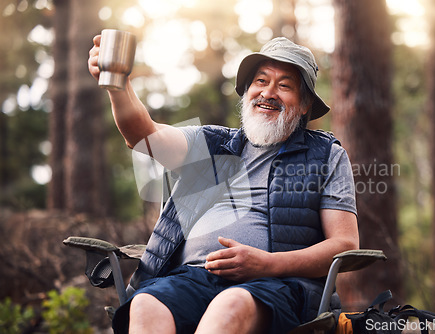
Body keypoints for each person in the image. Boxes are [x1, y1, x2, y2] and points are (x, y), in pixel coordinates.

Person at [88, 36, 359, 334]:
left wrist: (267, 264)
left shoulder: (326, 155)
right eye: (261, 81)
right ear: (246, 91)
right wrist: (119, 84)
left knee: (230, 304)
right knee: (145, 304)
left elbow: (344, 245)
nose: (268, 93)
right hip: (190, 279)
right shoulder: (210, 142)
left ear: (305, 104)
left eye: (284, 85)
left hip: (277, 287)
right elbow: (142, 136)